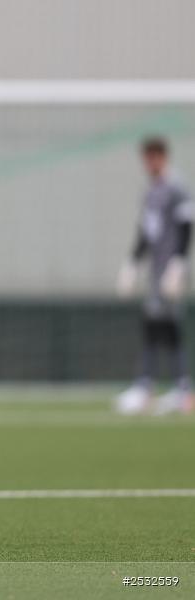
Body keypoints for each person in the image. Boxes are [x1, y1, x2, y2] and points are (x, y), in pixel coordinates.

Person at [116, 136, 193, 415]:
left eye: (152, 158)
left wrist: (179, 263)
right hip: (155, 270)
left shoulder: (177, 187)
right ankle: (151, 386)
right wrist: (133, 263)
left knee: (169, 327)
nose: (148, 164)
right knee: (153, 324)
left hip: (171, 270)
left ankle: (177, 389)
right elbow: (146, 232)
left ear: (162, 157)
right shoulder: (150, 190)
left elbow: (186, 226)